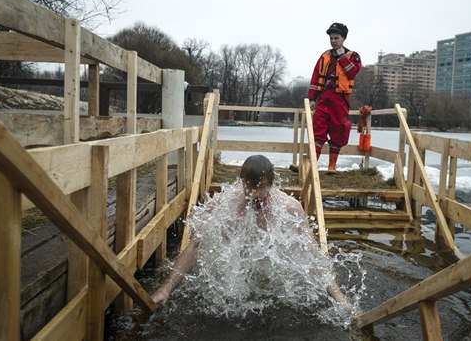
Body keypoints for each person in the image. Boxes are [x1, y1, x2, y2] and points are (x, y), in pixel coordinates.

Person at [151, 155, 351, 312]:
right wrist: (166, 289)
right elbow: (195, 245)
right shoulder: (223, 203)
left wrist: (340, 298)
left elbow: (312, 253)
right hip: (236, 279)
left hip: (269, 280)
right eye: (249, 187)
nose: (254, 194)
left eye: (261, 187)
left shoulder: (289, 208)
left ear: (272, 184)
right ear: (241, 182)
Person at [308, 22, 362, 174]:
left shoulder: (353, 56)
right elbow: (315, 77)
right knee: (318, 131)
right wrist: (312, 98)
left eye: (336, 38)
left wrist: (342, 57)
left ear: (343, 38)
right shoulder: (324, 56)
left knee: (338, 130)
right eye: (331, 38)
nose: (333, 41)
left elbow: (352, 73)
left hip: (340, 100)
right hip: (324, 98)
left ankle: (332, 166)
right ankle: (312, 165)